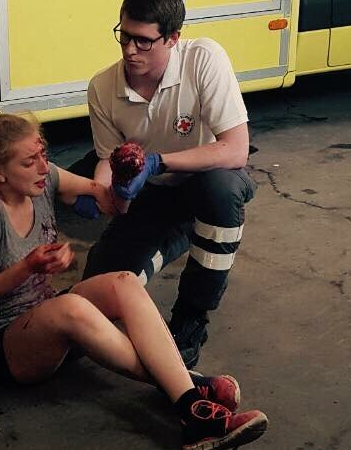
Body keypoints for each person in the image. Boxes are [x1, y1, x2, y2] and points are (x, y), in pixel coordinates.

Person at [0, 109, 267, 450]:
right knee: (71, 306)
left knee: (123, 282)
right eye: (28, 162)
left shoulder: (45, 179)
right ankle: (192, 398)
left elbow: (105, 195)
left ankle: (188, 398)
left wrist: (128, 177)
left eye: (43, 155)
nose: (42, 167)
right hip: (4, 348)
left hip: (47, 321)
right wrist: (27, 268)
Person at [73, 0, 256, 368]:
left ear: (172, 38)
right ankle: (182, 234)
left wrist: (157, 161)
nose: (129, 50)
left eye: (143, 41)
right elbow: (108, 161)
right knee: (97, 296)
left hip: (203, 184)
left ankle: (191, 315)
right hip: (152, 197)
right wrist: (108, 192)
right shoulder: (103, 87)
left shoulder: (203, 59)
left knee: (221, 190)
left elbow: (236, 150)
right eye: (124, 37)